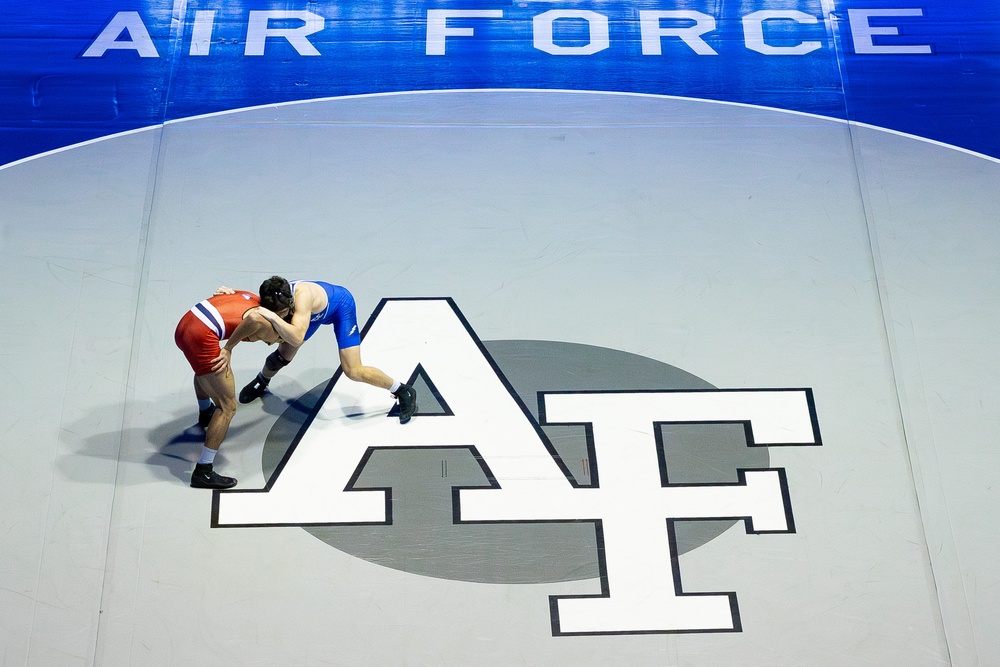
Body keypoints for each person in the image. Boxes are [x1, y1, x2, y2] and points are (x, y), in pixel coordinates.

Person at [218, 277, 417, 423]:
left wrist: (272, 318)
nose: (278, 315)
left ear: (289, 303)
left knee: (353, 370)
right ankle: (262, 381)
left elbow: (296, 337)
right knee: (280, 357)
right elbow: (250, 300)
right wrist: (233, 294)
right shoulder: (273, 296)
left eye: (281, 313)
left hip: (340, 308)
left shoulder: (302, 297)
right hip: (311, 316)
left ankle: (403, 390)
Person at [174, 289, 287, 489]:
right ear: (281, 311)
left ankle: (205, 413)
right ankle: (204, 470)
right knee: (228, 407)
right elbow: (260, 326)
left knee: (205, 370)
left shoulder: (249, 295)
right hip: (200, 335)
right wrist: (228, 348)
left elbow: (228, 296)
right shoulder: (262, 319)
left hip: (185, 325)